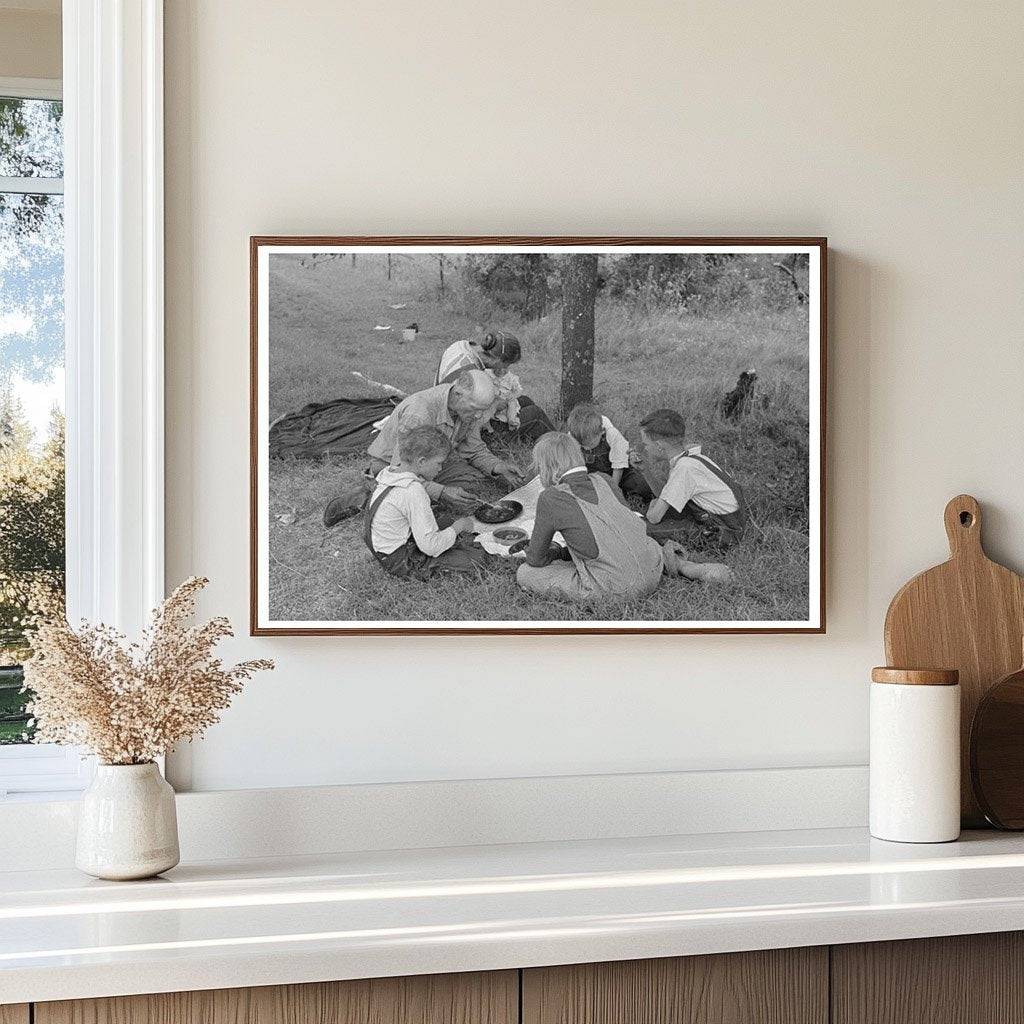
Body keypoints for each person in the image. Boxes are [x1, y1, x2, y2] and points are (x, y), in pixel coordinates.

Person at [516, 433, 664, 603]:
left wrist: (553, 554)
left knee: (525, 573)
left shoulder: (550, 497)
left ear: (548, 468)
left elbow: (535, 559)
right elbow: (620, 532)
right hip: (653, 568)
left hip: (618, 589)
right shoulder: (605, 479)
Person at [368, 369, 523, 505]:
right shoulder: (419, 413)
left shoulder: (469, 410)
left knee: (475, 481)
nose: (478, 416)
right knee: (413, 498)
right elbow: (401, 470)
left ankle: (426, 488)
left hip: (429, 461)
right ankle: (377, 488)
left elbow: (473, 449)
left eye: (483, 410)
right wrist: (441, 492)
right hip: (393, 467)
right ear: (458, 394)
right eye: (475, 409)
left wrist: (498, 467)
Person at [364, 426, 490, 579]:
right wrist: (460, 526)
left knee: (445, 522)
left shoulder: (391, 472)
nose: (440, 468)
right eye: (439, 463)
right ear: (422, 461)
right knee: (476, 560)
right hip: (399, 560)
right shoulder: (412, 490)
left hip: (382, 547)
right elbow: (431, 547)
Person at [635, 408, 747, 548]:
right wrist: (645, 470)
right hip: (720, 520)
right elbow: (667, 496)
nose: (645, 449)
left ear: (659, 445)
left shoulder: (685, 468)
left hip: (722, 532)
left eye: (646, 444)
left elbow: (654, 517)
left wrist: (652, 508)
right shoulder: (690, 457)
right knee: (653, 515)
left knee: (640, 529)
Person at [434, 331, 553, 441]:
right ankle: (558, 446)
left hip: (441, 407)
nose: (505, 369)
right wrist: (495, 405)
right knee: (536, 414)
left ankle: (530, 439)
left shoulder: (460, 346)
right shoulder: (472, 376)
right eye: (506, 365)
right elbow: (470, 420)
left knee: (524, 401)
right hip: (467, 433)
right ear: (498, 360)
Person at [564, 402, 647, 493]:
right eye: (582, 445)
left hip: (617, 472)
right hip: (592, 474)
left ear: (602, 432)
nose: (587, 448)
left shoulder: (612, 435)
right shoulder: (573, 436)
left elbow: (618, 466)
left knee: (640, 485)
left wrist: (612, 491)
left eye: (590, 444)